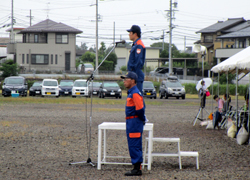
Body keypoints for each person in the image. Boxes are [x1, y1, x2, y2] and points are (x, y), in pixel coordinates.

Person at [121, 71, 146, 176]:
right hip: (132, 121)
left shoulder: (135, 93)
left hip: (134, 122)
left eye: (126, 79)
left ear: (133, 81)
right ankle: (136, 167)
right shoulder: (132, 92)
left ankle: (137, 169)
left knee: (134, 144)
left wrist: (141, 119)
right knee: (133, 143)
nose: (124, 81)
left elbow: (140, 109)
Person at [127, 25, 146, 94]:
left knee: (137, 98)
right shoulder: (135, 44)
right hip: (134, 74)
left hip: (136, 75)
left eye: (130, 32)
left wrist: (132, 76)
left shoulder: (139, 45)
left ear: (135, 34)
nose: (129, 34)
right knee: (133, 98)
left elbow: (138, 62)